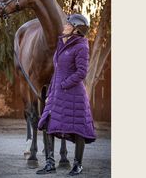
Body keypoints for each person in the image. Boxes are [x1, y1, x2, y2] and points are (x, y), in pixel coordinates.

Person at [36, 13, 96, 176]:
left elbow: (82, 72)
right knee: (47, 123)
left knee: (78, 128)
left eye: (68, 24)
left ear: (76, 29)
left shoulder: (82, 46)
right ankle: (49, 164)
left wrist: (64, 85)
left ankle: (78, 165)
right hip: (56, 92)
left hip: (74, 94)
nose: (64, 26)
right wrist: (51, 91)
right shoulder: (62, 44)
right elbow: (57, 71)